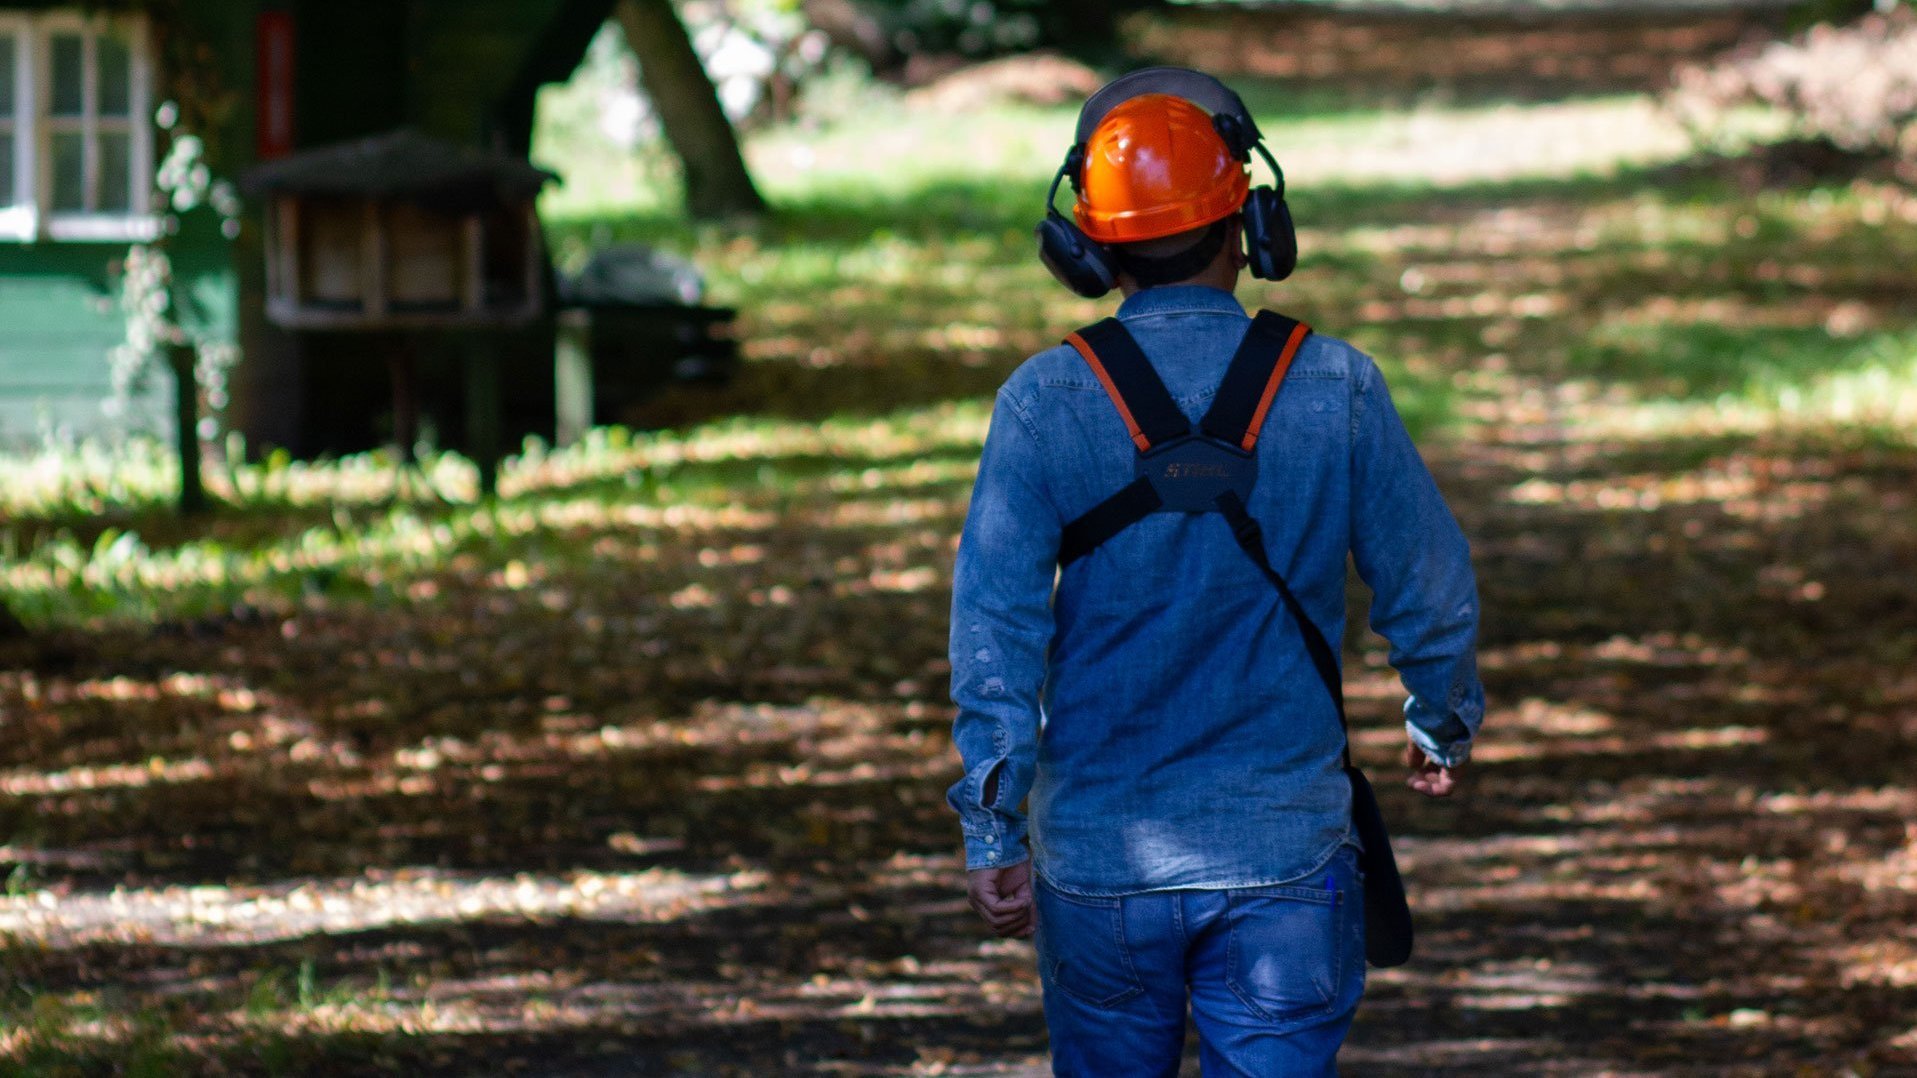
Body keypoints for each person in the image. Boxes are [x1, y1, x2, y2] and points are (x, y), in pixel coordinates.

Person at [945, 68, 1484, 1075]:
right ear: (1253, 224)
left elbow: (995, 630)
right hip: (1286, 861)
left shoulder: (1043, 401)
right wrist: (1439, 717)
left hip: (1099, 865)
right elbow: (1430, 584)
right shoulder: (1337, 386)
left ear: (1088, 246)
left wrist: (992, 826)